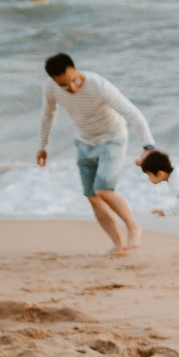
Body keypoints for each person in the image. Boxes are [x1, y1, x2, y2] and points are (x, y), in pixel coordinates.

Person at [35, 53, 156, 256]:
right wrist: (42, 146)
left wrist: (148, 145)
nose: (72, 88)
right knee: (92, 196)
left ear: (75, 70)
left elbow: (132, 112)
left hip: (113, 139)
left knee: (103, 189)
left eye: (74, 80)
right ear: (54, 81)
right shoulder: (49, 88)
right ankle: (118, 246)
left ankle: (134, 227)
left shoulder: (98, 84)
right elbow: (48, 114)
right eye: (64, 85)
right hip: (84, 142)